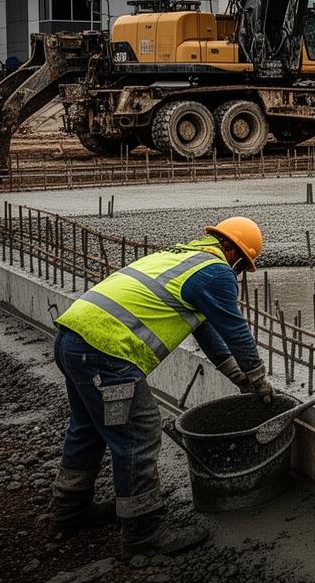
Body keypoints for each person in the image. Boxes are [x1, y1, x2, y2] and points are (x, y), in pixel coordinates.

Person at [49, 217, 271, 558]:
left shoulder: (184, 258)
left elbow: (204, 328)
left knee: (89, 427)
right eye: (242, 267)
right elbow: (234, 328)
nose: (239, 274)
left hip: (72, 340)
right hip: (107, 353)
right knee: (137, 432)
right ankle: (143, 530)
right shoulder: (216, 272)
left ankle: (69, 511)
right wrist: (257, 377)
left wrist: (236, 376)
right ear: (234, 252)